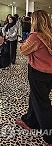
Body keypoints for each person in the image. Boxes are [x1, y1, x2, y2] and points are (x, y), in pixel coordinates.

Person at [16, 10, 52, 145]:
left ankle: (49, 136)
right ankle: (30, 121)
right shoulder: (50, 34)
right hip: (50, 73)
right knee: (36, 97)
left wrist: (23, 42)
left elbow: (23, 50)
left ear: (35, 21)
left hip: (38, 72)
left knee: (42, 103)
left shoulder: (36, 37)